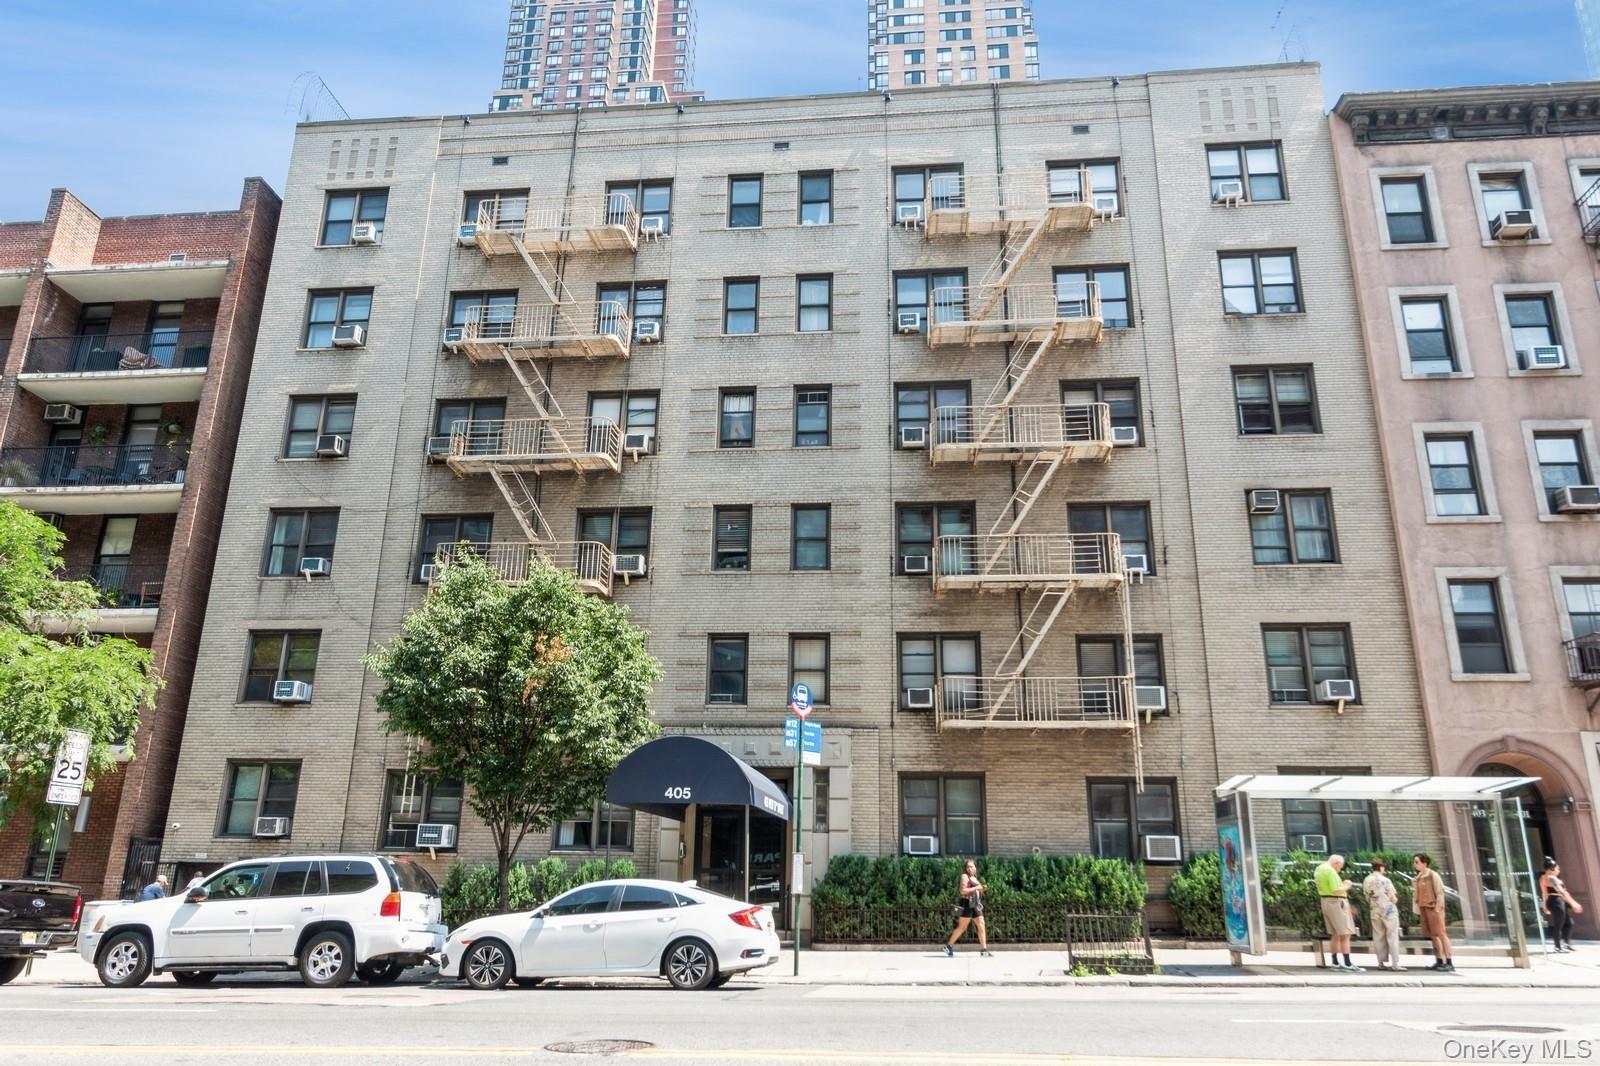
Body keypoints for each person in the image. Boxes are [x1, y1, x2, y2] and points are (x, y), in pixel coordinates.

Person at [1314, 854, 1361, 971]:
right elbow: (1336, 891)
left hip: (1325, 901)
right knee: (1345, 933)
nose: (1340, 869)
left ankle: (1335, 962)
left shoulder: (1319, 869)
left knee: (1335, 934)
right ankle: (1347, 963)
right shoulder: (1330, 871)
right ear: (1336, 863)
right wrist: (1347, 885)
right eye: (1340, 866)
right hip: (1336, 902)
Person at [1412, 853, 1453, 972]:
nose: (1415, 864)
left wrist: (1437, 908)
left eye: (1417, 862)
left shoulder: (1432, 875)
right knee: (1433, 935)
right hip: (1424, 908)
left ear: (1424, 863)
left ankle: (1449, 961)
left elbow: (1439, 892)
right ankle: (1439, 960)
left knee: (1441, 934)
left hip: (1433, 907)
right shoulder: (1419, 877)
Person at [1362, 858, 1404, 971]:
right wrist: (1393, 900)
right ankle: (1395, 964)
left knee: (1378, 935)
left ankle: (1381, 963)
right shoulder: (1385, 880)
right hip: (1388, 910)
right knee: (1392, 935)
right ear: (1381, 868)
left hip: (1374, 909)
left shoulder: (1367, 880)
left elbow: (1366, 896)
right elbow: (1393, 897)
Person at [944, 859, 992, 957]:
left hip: (975, 903)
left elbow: (976, 890)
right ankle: (948, 946)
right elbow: (963, 891)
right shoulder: (964, 876)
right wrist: (977, 888)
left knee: (981, 924)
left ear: (975, 868)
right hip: (966, 903)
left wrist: (982, 889)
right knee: (962, 927)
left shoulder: (974, 877)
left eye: (971, 866)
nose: (969, 868)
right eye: (968, 867)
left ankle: (984, 950)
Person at [1540, 858, 1584, 954]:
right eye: (1557, 869)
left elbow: (1544, 893)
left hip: (1555, 901)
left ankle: (1566, 944)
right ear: (1551, 869)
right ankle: (1557, 947)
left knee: (1569, 922)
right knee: (1559, 925)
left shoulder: (1543, 877)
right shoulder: (1552, 878)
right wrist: (1573, 903)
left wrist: (1545, 905)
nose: (1559, 871)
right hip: (1556, 901)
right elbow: (1562, 892)